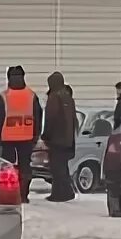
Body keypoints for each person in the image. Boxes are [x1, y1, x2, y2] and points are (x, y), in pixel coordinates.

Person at [0, 66, 43, 203]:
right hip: (27, 136)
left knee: (8, 167)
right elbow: (38, 116)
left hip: (6, 137)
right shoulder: (31, 95)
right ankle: (24, 195)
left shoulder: (3, 96)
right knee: (25, 167)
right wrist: (36, 136)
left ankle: (10, 193)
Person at [41, 71, 77, 202]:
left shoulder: (54, 97)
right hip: (67, 139)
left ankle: (60, 193)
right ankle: (66, 191)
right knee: (63, 167)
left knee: (56, 168)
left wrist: (46, 135)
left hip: (56, 139)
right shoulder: (68, 97)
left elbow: (51, 118)